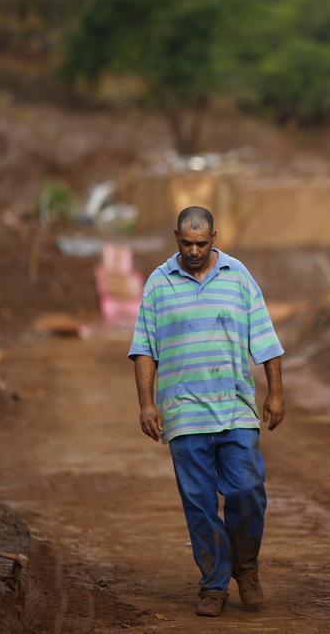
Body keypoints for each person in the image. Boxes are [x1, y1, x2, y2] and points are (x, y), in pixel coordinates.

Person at [129, 205, 286, 618]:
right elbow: (144, 349)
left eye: (202, 243)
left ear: (214, 237)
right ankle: (214, 584)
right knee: (199, 503)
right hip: (183, 415)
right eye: (186, 243)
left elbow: (266, 340)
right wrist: (147, 404)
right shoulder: (159, 283)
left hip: (235, 409)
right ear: (175, 237)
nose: (194, 251)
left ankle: (246, 567)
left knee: (248, 492)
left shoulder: (239, 276)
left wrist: (275, 392)